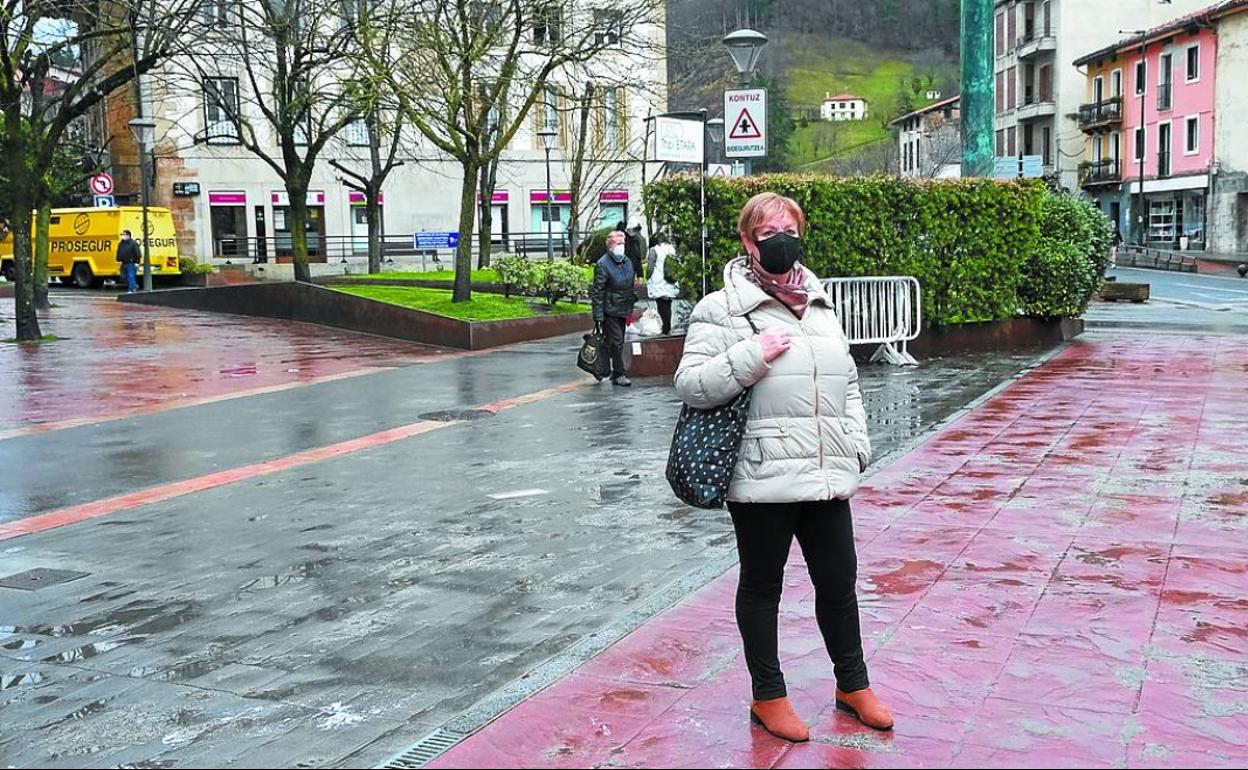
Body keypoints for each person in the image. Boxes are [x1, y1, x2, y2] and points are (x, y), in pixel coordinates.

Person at [674, 192, 892, 743]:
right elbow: (691, 387)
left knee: (839, 584)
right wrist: (753, 354)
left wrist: (856, 446)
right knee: (763, 587)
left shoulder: (820, 303)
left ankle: (853, 685)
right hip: (763, 474)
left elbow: (849, 385)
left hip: (826, 475)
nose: (781, 238)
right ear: (748, 240)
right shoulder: (721, 308)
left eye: (789, 228)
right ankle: (767, 696)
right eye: (768, 229)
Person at [591, 229, 636, 386]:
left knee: (618, 341)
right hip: (610, 310)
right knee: (616, 342)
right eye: (618, 243)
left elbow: (630, 284)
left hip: (623, 308)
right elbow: (597, 292)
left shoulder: (626, 261)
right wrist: (598, 315)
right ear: (610, 245)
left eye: (623, 243)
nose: (622, 246)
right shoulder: (603, 264)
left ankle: (608, 369)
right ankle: (619, 373)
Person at [645, 232, 679, 335]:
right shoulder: (672, 249)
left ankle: (665, 327)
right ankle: (667, 326)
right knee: (668, 305)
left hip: (658, 282)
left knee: (661, 305)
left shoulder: (654, 250)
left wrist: (647, 276)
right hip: (670, 281)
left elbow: (650, 267)